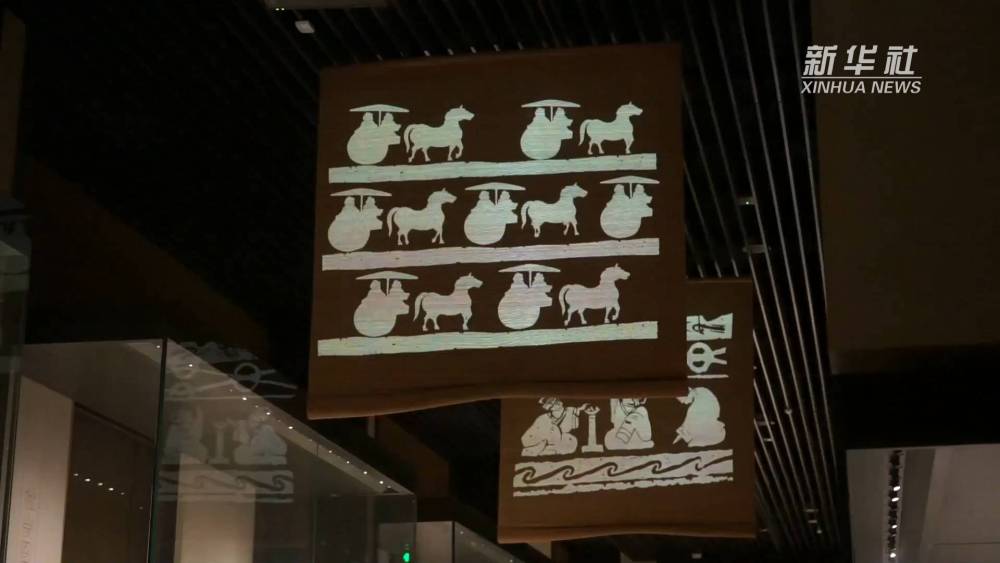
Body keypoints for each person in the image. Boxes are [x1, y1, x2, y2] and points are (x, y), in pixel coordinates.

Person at [521, 398, 591, 456]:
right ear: (550, 408)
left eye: (558, 401)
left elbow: (574, 411)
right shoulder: (543, 418)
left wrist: (582, 408)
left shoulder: (568, 411)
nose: (559, 403)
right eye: (555, 403)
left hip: (557, 442)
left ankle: (550, 450)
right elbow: (530, 436)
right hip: (538, 441)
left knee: (571, 440)